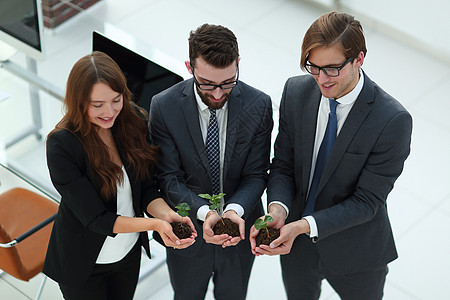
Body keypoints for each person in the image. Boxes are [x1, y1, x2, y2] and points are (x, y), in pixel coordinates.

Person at [250, 11, 413, 299]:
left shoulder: (392, 120)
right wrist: (278, 210)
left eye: (333, 69)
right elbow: (284, 165)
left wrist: (305, 225)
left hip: (356, 252)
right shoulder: (295, 92)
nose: (322, 79)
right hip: (296, 244)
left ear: (359, 59)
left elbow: (367, 201)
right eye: (314, 67)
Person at [43, 51, 196, 300]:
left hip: (127, 255)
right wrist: (155, 225)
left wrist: (166, 215)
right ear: (78, 101)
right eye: (97, 105)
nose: (109, 112)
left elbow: (146, 187)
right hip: (84, 264)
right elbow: (97, 219)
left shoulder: (132, 121)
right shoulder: (62, 145)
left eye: (116, 100)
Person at [149, 24, 273, 299]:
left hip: (239, 232)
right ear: (189, 67)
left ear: (238, 64)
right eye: (207, 84)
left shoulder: (259, 104)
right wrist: (206, 213)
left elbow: (256, 174)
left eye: (227, 83)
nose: (217, 94)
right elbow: (169, 178)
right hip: (188, 232)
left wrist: (234, 211)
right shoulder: (164, 106)